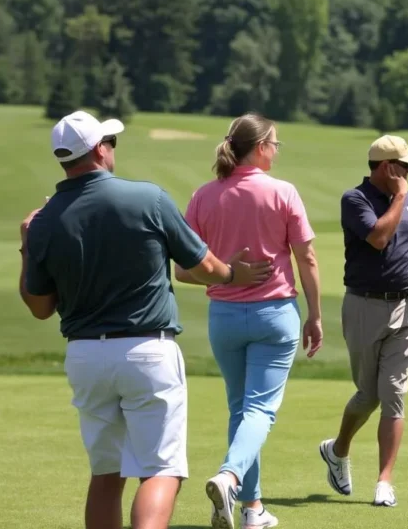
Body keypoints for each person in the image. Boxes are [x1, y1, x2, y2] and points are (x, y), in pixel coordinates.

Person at [19, 110, 273, 529]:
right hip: (146, 351)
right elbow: (204, 265)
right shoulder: (147, 198)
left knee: (105, 473)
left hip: (84, 357)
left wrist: (26, 247)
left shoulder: (43, 221)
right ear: (100, 150)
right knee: (160, 469)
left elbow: (40, 307)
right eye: (110, 142)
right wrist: (232, 274)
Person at [174, 113, 324, 529]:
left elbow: (182, 271)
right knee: (259, 409)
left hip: (223, 317)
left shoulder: (203, 196)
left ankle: (252, 509)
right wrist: (315, 314)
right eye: (274, 144)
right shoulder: (283, 192)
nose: (276, 151)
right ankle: (230, 476)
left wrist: (225, 271)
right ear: (260, 148)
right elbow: (307, 258)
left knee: (241, 410)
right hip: (274, 315)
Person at [318, 134, 408, 507]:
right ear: (387, 167)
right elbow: (379, 239)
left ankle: (385, 481)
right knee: (368, 395)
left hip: (405, 308)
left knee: (394, 396)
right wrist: (399, 197)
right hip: (364, 307)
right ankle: (337, 450)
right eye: (404, 165)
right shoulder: (355, 200)